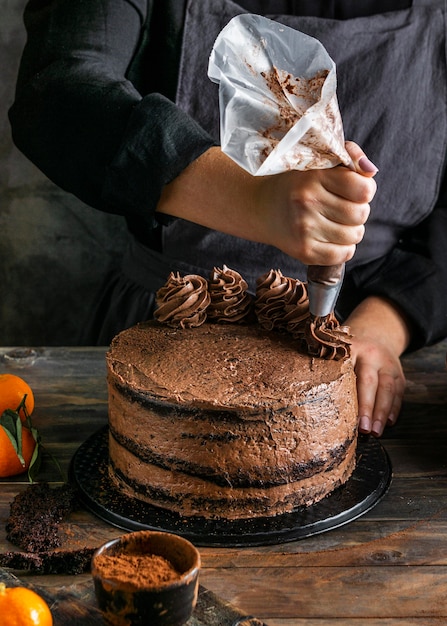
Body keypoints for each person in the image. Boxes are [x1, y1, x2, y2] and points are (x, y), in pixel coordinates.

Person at [9, 0, 447, 440]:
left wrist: (387, 323)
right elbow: (57, 90)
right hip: (166, 319)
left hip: (358, 356)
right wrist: (251, 198)